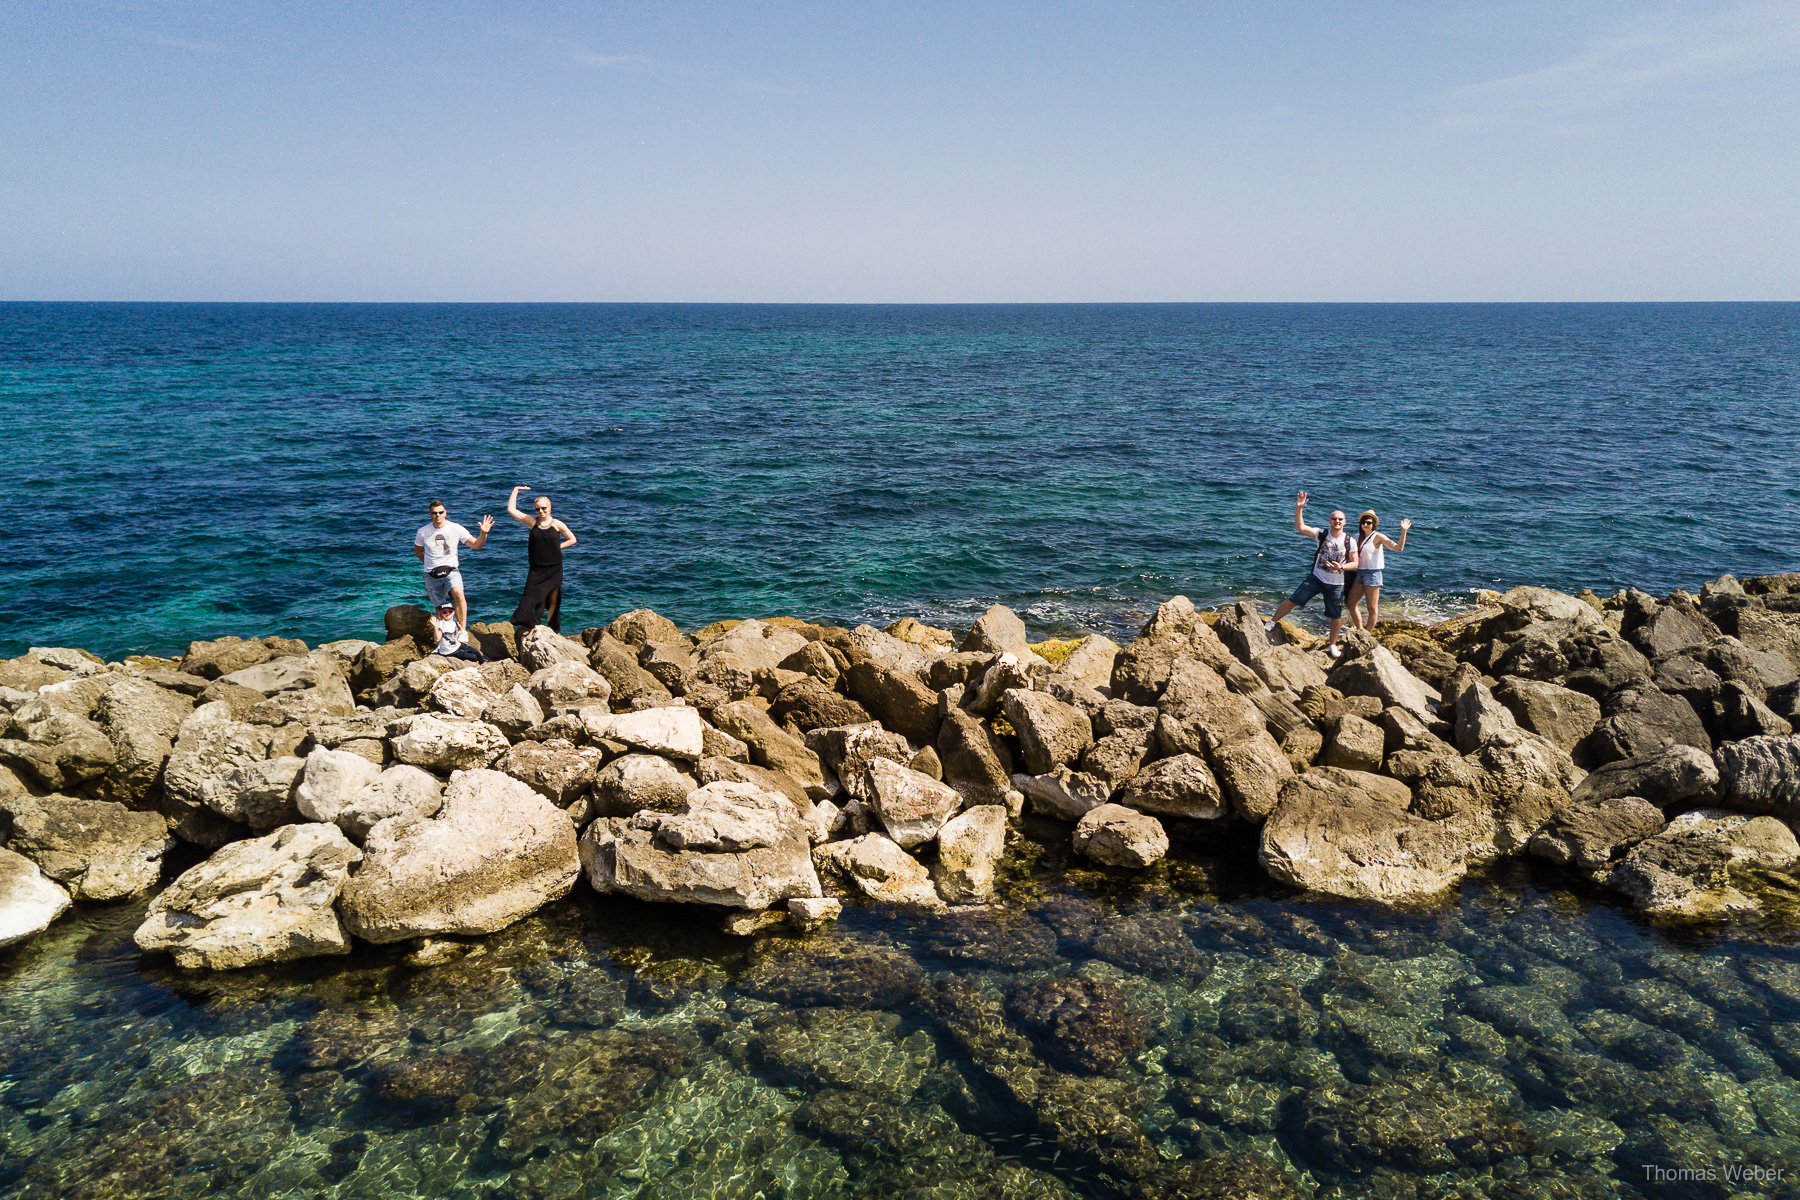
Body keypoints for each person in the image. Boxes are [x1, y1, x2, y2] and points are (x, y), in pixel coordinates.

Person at [1263, 490, 1358, 658]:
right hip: (1316, 578)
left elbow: (1355, 563)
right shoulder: (1321, 534)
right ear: (1330, 521)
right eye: (1334, 518)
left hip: (1337, 584)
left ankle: (1332, 645)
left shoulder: (1350, 541)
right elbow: (1300, 527)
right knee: (1293, 600)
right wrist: (1299, 508)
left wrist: (1341, 568)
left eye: (1340, 519)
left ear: (1345, 522)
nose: (1337, 521)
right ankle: (1272, 622)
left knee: (1335, 616)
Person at [413, 500, 493, 633]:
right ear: (430, 514)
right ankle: (445, 632)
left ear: (445, 513)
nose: (438, 515)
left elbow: (477, 545)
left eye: (440, 512)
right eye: (434, 513)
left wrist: (483, 533)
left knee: (458, 594)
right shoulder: (422, 532)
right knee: (439, 606)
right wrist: (428, 563)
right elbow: (418, 550)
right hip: (430, 573)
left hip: (451, 570)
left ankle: (462, 629)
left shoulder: (456, 528)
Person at [505, 485, 577, 632]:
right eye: (537, 509)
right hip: (537, 569)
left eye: (544, 508)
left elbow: (572, 539)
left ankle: (552, 630)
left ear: (550, 507)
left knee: (553, 600)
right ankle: (532, 625)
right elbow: (511, 510)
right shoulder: (533, 522)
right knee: (529, 598)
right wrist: (516, 490)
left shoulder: (557, 524)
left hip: (554, 567)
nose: (541, 511)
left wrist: (557, 547)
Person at [1346, 510, 1412, 630]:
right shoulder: (1356, 537)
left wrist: (1403, 532)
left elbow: (1398, 548)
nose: (1365, 524)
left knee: (1371, 608)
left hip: (1373, 573)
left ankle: (1368, 634)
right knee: (1351, 604)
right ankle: (1360, 630)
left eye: (1369, 522)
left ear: (1373, 524)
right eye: (1363, 522)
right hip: (1359, 573)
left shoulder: (1378, 537)